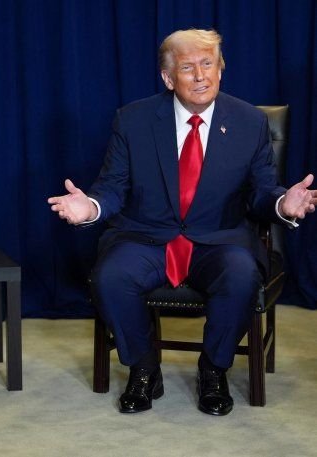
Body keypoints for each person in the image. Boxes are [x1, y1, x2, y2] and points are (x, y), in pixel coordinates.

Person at [48, 28, 317, 416]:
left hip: (220, 240)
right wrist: (90, 208)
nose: (201, 76)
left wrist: (282, 205)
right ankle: (144, 369)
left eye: (208, 64)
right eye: (188, 67)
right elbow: (112, 187)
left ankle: (213, 371)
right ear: (168, 77)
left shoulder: (249, 121)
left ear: (221, 69)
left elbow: (262, 191)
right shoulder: (132, 119)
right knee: (111, 276)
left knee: (241, 276)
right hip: (147, 238)